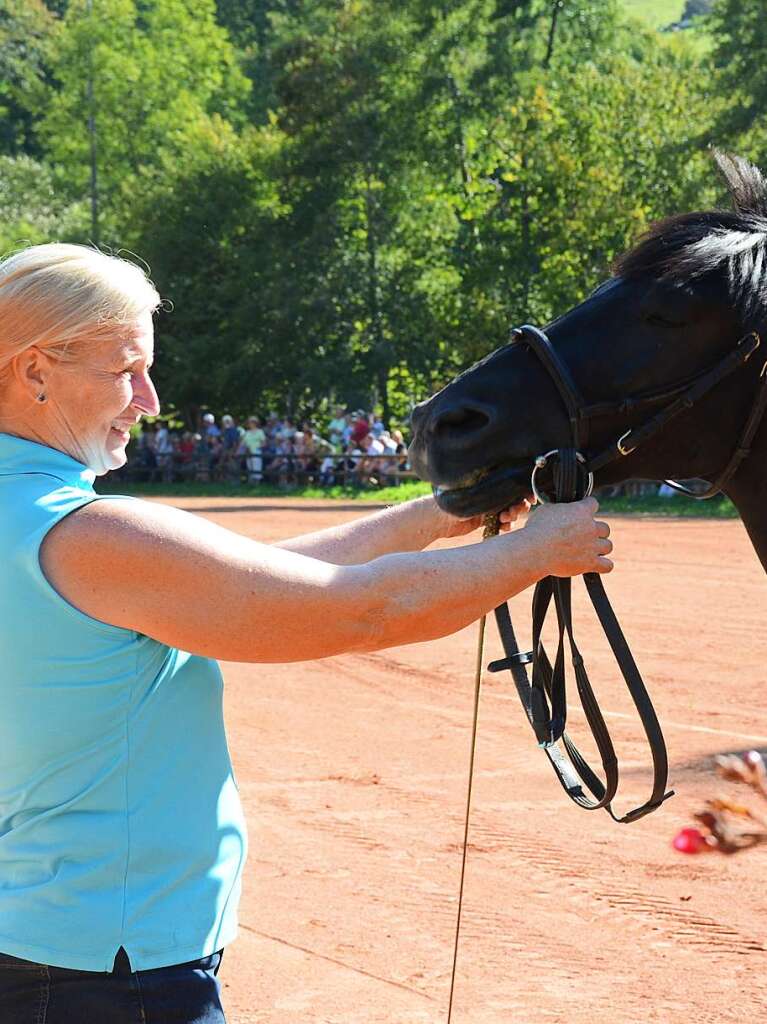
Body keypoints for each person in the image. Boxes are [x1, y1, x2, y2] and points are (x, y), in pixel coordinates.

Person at [0, 243, 613, 1024]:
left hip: (43, 937)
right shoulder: (89, 534)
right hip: (108, 970)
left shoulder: (37, 522)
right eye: (127, 370)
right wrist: (537, 550)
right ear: (35, 371)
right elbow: (352, 609)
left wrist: (443, 512)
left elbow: (254, 580)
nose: (149, 399)